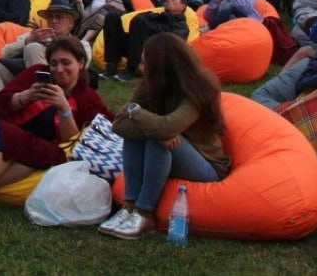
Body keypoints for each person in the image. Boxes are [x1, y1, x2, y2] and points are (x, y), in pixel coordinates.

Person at [0, 36, 109, 225]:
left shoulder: (87, 98)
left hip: (25, 150)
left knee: (51, 153)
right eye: (54, 63)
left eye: (66, 63)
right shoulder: (36, 74)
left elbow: (72, 139)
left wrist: (64, 108)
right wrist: (25, 96)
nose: (59, 69)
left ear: (81, 63)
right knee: (18, 139)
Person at [98, 32, 230, 240]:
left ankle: (145, 213)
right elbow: (119, 126)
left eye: (145, 63)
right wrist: (153, 128)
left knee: (158, 139)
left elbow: (168, 126)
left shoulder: (197, 92)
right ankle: (130, 205)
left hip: (207, 166)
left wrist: (137, 113)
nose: (141, 68)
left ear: (163, 67)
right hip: (170, 150)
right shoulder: (150, 86)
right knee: (147, 135)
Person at [0, 0, 90, 100]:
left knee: (33, 48)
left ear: (70, 22)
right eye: (50, 17)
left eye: (59, 17)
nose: (53, 21)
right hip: (22, 82)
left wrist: (47, 46)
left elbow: (82, 66)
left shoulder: (81, 44)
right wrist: (28, 40)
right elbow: (4, 53)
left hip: (57, 85)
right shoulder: (34, 36)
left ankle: (42, 102)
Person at [101, 0, 189, 81]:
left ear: (183, 6)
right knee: (112, 17)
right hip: (135, 47)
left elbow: (170, 45)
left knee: (140, 21)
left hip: (152, 54)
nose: (167, 0)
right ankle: (111, 66)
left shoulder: (181, 26)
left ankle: (131, 69)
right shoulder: (156, 15)